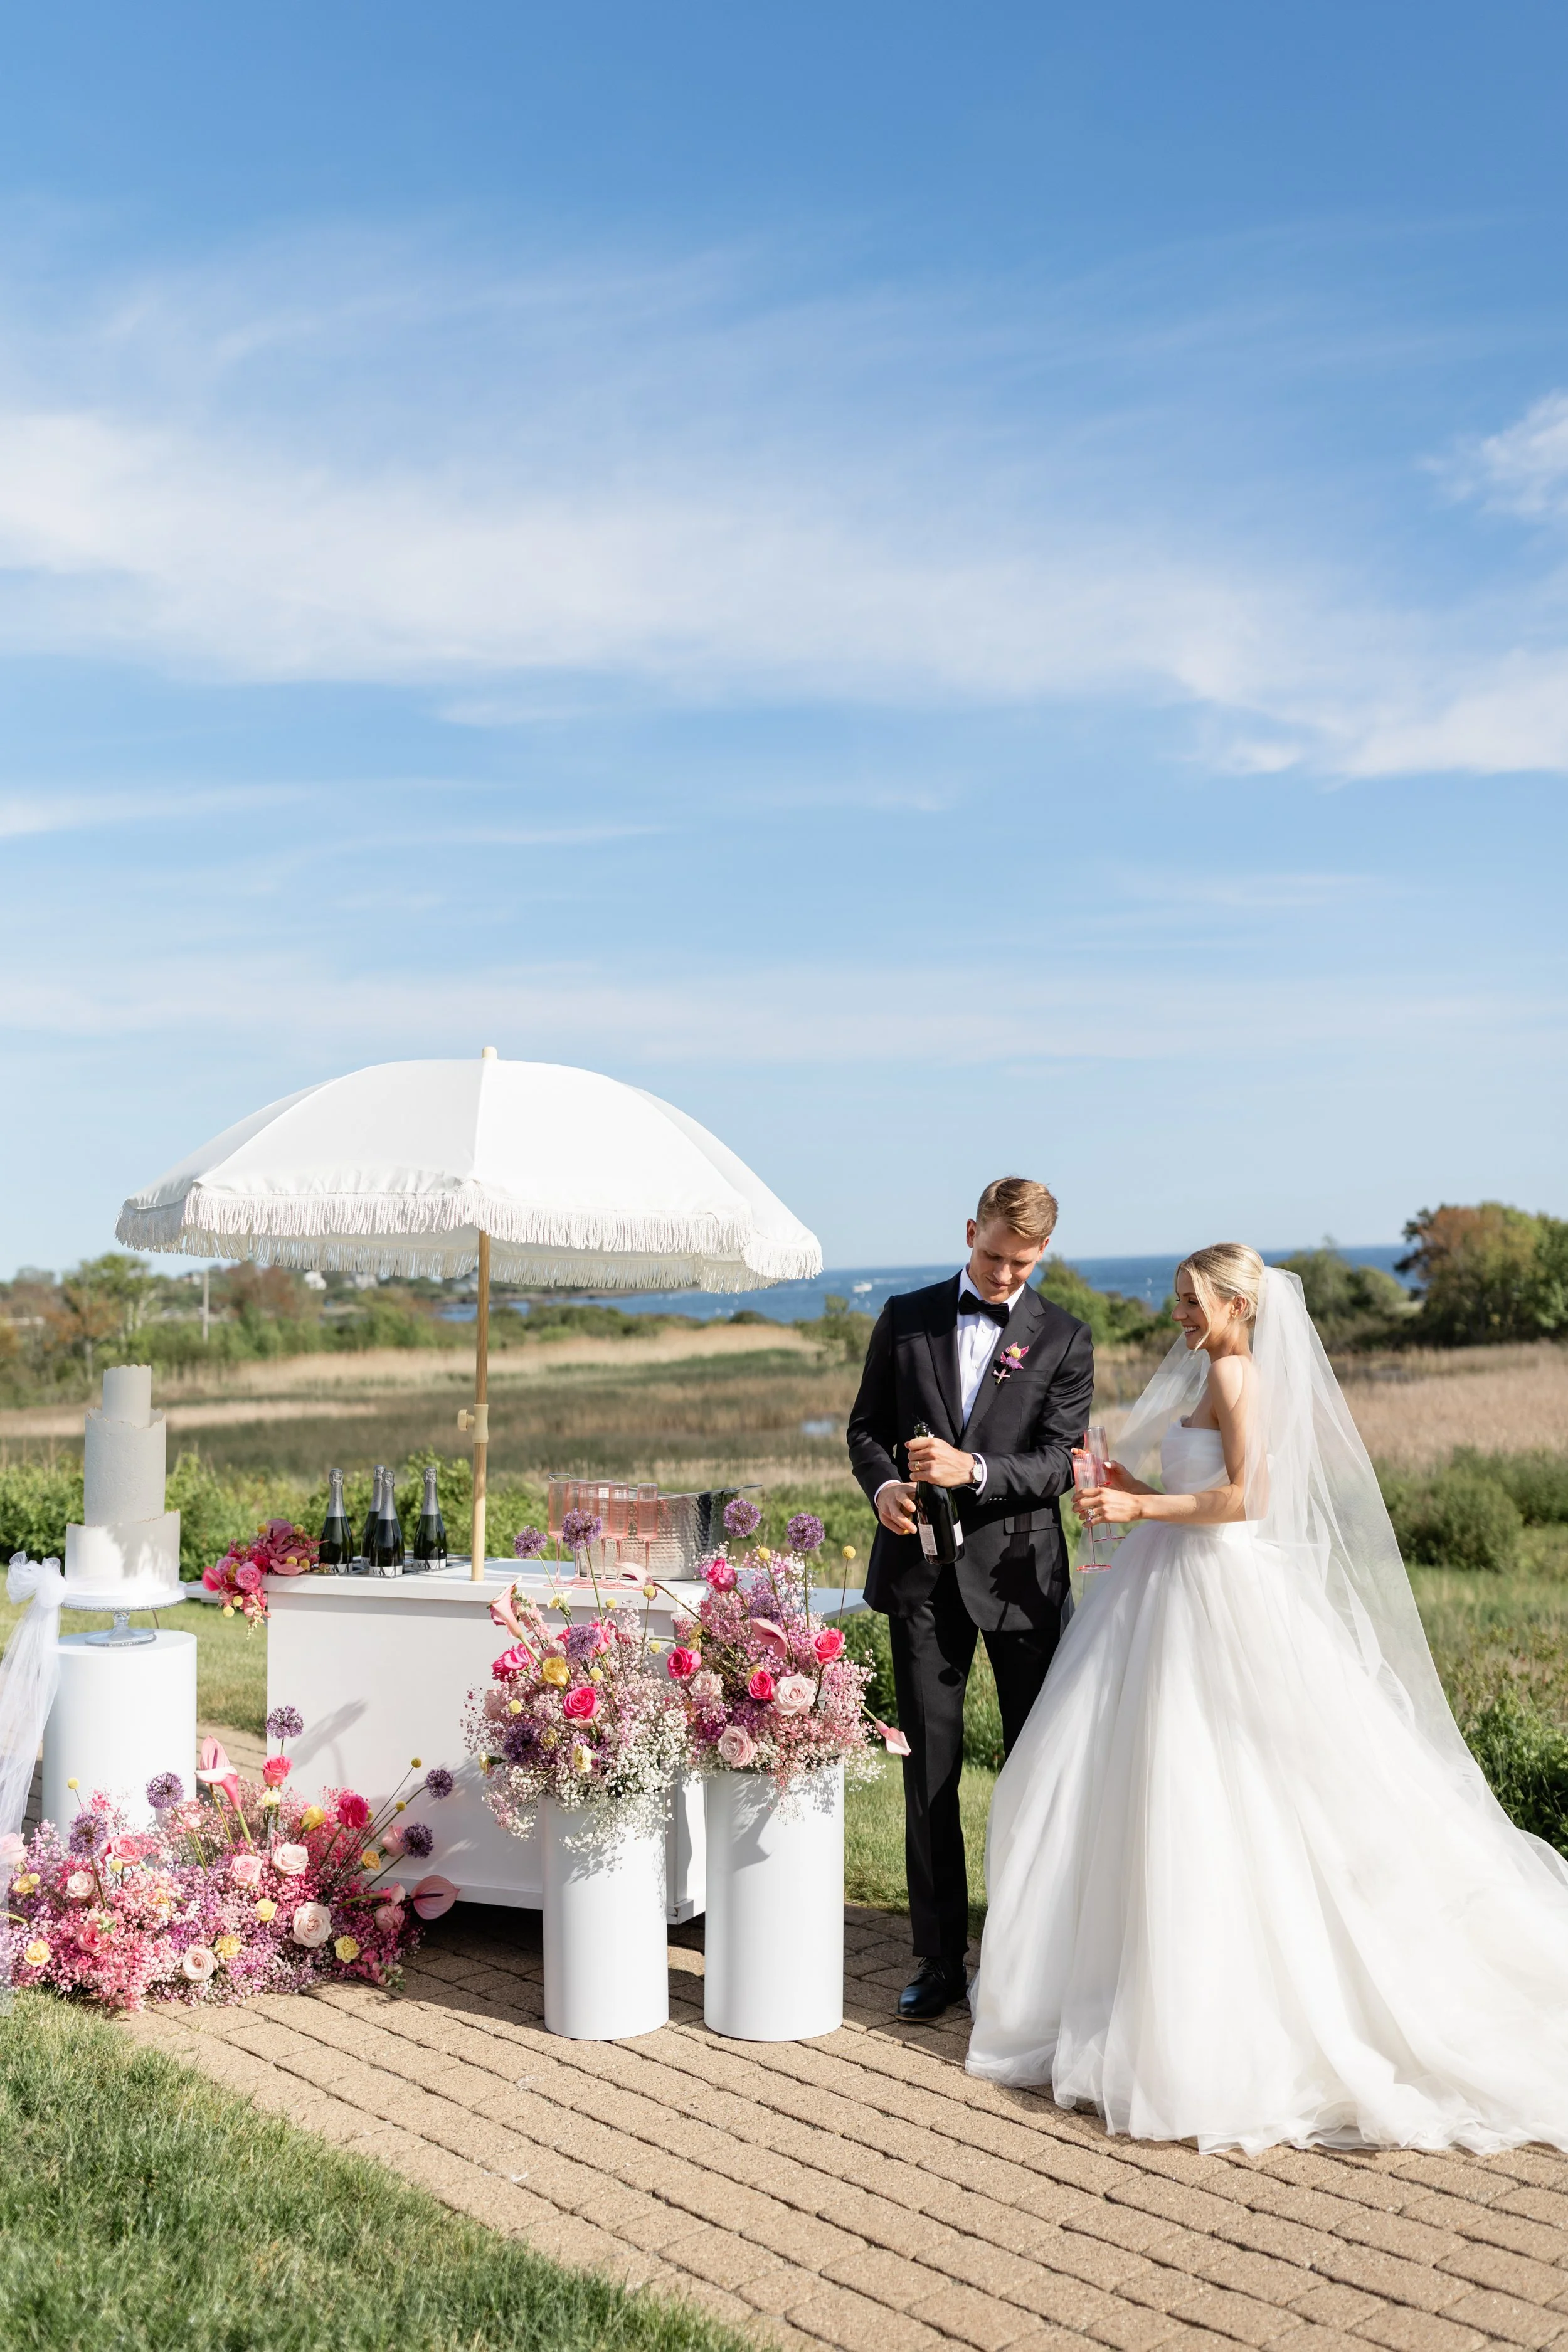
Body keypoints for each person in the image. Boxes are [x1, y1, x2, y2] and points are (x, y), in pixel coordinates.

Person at [968, 1244, 1568, 2153]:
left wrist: (1140, 1515)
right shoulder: (1218, 1368)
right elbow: (1199, 1487)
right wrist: (1133, 1489)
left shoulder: (1240, 1373)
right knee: (1130, 1777)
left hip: (1218, 1593)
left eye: (1192, 1300)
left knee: (1218, 1784)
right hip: (1169, 1587)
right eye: (1177, 1298)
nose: (1179, 1313)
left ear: (1238, 1306)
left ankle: (1219, 2006)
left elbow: (1247, 1499)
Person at [847, 1177, 1094, 2020]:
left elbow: (1063, 1461)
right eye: (991, 1255)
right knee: (931, 1777)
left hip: (1022, 1583)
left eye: (1021, 1262)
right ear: (969, 1232)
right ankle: (937, 1958)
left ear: (1042, 1256)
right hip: (919, 1575)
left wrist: (975, 1470)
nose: (1002, 1274)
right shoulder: (904, 1315)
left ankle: (1029, 1956)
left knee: (1036, 1772)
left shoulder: (1065, 1337)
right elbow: (865, 1429)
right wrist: (883, 1486)